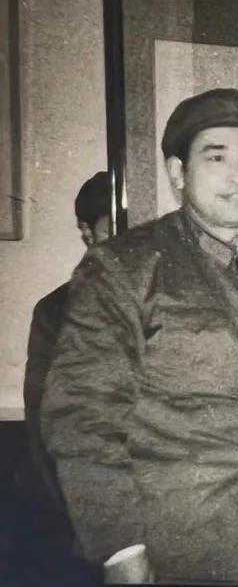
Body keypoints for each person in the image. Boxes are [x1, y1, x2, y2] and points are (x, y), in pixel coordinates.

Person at [40, 89, 238, 584]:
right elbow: (82, 417)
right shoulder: (124, 269)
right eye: (216, 158)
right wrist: (119, 550)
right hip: (183, 553)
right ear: (178, 173)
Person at [6, 171, 112, 586]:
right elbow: (44, 428)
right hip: (73, 516)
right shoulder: (56, 312)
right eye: (112, 230)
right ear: (87, 233)